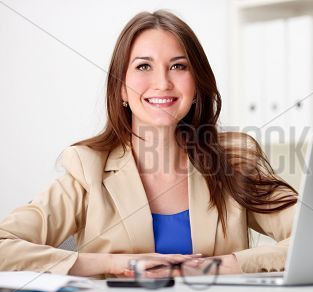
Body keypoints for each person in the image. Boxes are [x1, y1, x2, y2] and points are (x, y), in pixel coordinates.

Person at [0, 10, 297, 278]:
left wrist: (221, 265)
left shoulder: (234, 162)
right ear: (121, 90)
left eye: (178, 66)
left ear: (197, 86)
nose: (163, 83)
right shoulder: (87, 170)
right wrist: (114, 264)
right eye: (143, 67)